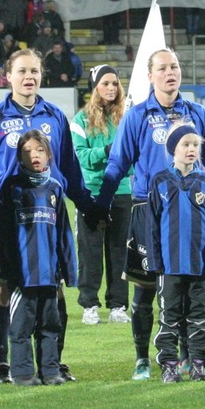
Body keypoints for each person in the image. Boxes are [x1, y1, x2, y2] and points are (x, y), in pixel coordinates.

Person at [96, 48, 205, 381]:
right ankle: (143, 358)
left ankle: (189, 360)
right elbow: (117, 164)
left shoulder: (198, 114)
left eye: (175, 66)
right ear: (150, 75)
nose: (170, 72)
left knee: (187, 287)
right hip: (147, 210)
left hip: (191, 212)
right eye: (163, 68)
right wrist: (101, 203)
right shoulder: (137, 116)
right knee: (143, 289)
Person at [0, 49, 99, 384]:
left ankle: (54, 361)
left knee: (54, 287)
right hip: (8, 217)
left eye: (34, 71)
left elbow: (68, 168)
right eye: (22, 71)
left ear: (41, 76)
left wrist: (86, 204)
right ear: (9, 76)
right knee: (3, 288)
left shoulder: (55, 116)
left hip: (48, 215)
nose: (28, 77)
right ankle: (2, 363)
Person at [0, 130, 77, 386]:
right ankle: (22, 373)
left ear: (48, 155)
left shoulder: (54, 187)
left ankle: (50, 371)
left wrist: (68, 270)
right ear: (19, 156)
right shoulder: (12, 188)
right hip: (24, 274)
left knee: (49, 325)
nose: (35, 155)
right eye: (28, 151)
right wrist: (9, 270)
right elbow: (4, 234)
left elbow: (64, 232)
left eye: (40, 150)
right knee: (21, 327)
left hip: (49, 273)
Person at [149, 122, 205, 383]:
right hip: (168, 265)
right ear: (173, 148)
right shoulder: (159, 181)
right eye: (186, 144)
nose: (191, 149)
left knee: (197, 316)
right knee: (169, 316)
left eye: (195, 145)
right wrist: (154, 259)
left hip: (199, 264)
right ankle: (169, 365)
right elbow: (152, 225)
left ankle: (197, 364)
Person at [72, 65, 130, 326]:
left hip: (123, 191)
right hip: (92, 194)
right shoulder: (80, 121)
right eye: (106, 83)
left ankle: (118, 306)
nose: (111, 88)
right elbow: (81, 158)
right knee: (90, 252)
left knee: (120, 252)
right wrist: (106, 152)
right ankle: (89, 305)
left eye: (115, 83)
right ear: (94, 87)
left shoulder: (127, 118)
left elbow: (135, 155)